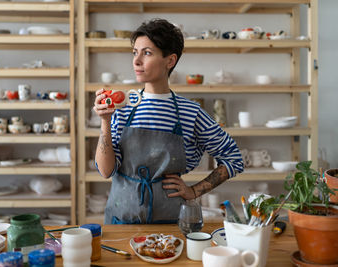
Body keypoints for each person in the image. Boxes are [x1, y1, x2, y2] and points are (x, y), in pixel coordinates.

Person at [93, 18, 244, 224]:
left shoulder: (190, 112)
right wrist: (105, 122)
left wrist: (194, 191)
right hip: (122, 221)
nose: (136, 61)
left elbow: (233, 157)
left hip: (171, 223)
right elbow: (105, 170)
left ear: (170, 61)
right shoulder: (123, 106)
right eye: (135, 52)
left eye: (147, 53)